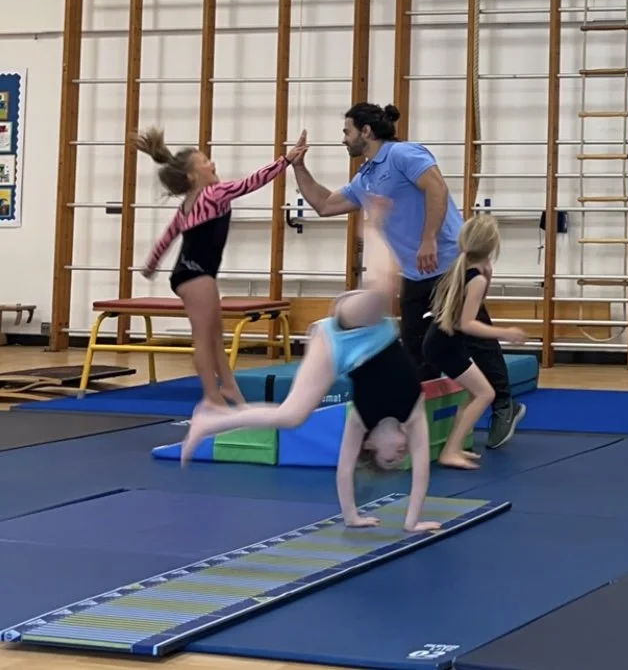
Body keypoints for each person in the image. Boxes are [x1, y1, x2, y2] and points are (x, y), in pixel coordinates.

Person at [179, 193, 441, 533]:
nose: (402, 453)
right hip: (366, 323)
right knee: (383, 291)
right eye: (400, 458)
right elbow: (423, 471)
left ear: (371, 446)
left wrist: (352, 516)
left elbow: (345, 470)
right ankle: (373, 224)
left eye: (391, 458)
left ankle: (210, 421)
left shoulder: (360, 422)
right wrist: (412, 521)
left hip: (334, 343)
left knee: (290, 415)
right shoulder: (414, 413)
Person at [289, 102, 523, 449]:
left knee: (472, 334)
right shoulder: (365, 177)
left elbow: (437, 188)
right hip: (416, 273)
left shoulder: (403, 154)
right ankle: (416, 415)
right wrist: (299, 167)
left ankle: (503, 404)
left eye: (347, 132)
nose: (344, 140)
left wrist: (428, 237)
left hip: (448, 262)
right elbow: (325, 205)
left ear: (366, 132)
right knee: (415, 348)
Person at [137, 127, 308, 409]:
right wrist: (286, 161)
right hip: (196, 275)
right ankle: (212, 397)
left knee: (214, 335)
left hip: (189, 274)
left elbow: (167, 237)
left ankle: (229, 388)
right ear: (193, 176)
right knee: (204, 338)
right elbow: (251, 183)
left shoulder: (186, 206)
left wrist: (150, 265)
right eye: (205, 161)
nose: (212, 164)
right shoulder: (213, 194)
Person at [422, 214, 527, 469]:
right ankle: (450, 451)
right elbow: (468, 324)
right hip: (445, 345)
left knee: (474, 393)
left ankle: (453, 446)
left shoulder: (464, 269)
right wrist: (505, 333)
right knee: (486, 393)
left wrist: (487, 277)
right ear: (493, 248)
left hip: (442, 341)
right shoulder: (475, 278)